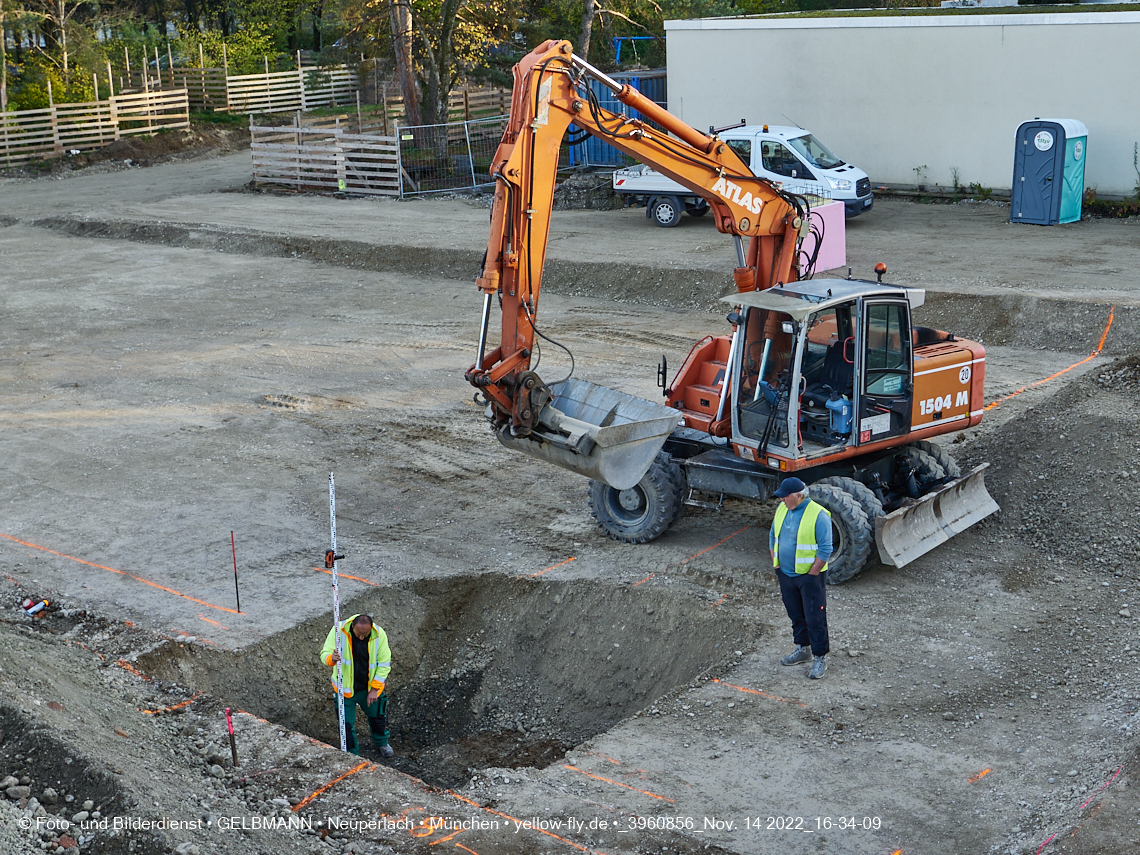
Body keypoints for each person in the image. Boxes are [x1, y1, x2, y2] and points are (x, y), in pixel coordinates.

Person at [769, 477, 833, 680]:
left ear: (798, 495)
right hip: (786, 575)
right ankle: (802, 649)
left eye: (785, 496)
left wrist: (812, 573)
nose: (782, 500)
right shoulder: (782, 509)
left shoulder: (818, 515)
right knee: (795, 614)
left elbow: (825, 548)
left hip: (809, 578)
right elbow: (772, 536)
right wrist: (776, 563)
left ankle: (819, 657)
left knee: (815, 617)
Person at [320, 613, 393, 757]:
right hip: (345, 689)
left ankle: (382, 743)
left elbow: (384, 663)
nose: (361, 638)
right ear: (352, 627)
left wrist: (375, 689)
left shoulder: (379, 634)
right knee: (346, 725)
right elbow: (324, 654)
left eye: (364, 635)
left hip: (368, 688)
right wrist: (332, 658)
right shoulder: (338, 631)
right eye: (358, 634)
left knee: (377, 716)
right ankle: (352, 755)